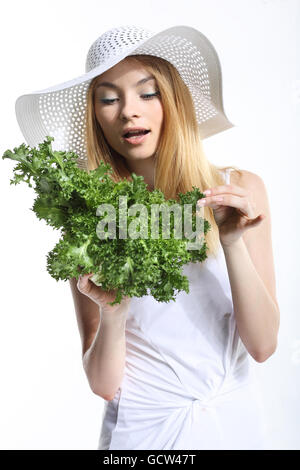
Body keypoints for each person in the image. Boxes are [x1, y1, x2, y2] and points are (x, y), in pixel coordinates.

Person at [15, 24, 280, 450]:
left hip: (235, 428)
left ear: (172, 101)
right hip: (142, 437)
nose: (127, 111)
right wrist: (114, 313)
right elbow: (103, 384)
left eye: (147, 92)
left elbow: (264, 345)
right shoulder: (91, 221)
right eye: (108, 98)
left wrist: (230, 242)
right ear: (96, 116)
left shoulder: (240, 191)